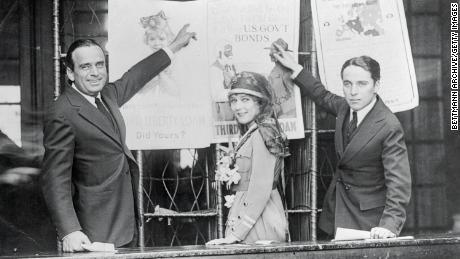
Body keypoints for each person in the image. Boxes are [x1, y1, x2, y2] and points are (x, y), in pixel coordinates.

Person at [41, 25, 196, 252]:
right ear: (71, 73)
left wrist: (174, 46)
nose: (95, 72)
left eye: (99, 64)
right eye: (85, 67)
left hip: (124, 224)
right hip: (92, 232)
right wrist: (70, 230)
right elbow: (55, 179)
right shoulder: (62, 112)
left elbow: (135, 76)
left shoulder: (107, 95)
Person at [272, 45, 411, 239]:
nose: (353, 91)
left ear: (376, 85)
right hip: (338, 210)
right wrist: (295, 68)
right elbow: (322, 95)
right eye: (347, 84)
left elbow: (399, 182)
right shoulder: (345, 107)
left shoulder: (388, 125)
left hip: (369, 220)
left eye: (362, 84)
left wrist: (389, 225)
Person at [206, 71, 290, 245]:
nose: (237, 107)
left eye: (245, 100)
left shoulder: (263, 133)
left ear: (260, 103)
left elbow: (260, 189)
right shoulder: (252, 132)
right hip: (249, 218)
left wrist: (237, 235)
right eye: (234, 101)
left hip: (260, 221)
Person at [266, 38, 296, 118]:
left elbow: (294, 96)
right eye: (271, 51)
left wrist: (281, 108)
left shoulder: (287, 72)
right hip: (277, 113)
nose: (270, 54)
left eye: (273, 51)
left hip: (287, 114)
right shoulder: (274, 71)